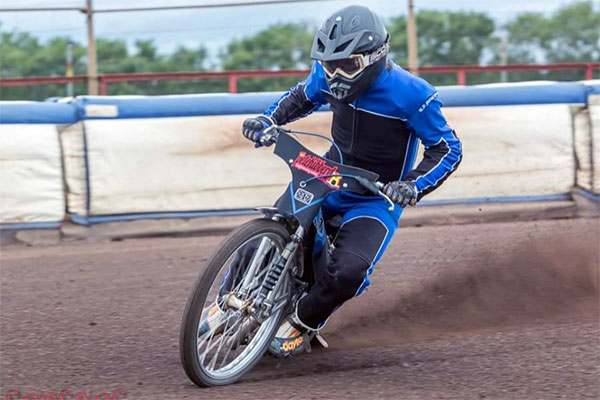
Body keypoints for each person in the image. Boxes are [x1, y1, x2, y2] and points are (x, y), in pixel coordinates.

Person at [239, 5, 462, 356]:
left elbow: (448, 149)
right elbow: (300, 98)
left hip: (375, 198)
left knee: (349, 272)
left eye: (348, 65)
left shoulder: (414, 95)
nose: (336, 75)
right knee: (268, 231)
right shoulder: (324, 75)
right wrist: (267, 119)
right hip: (326, 177)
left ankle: (302, 322)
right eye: (329, 65)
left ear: (374, 57)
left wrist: (413, 185)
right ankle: (227, 301)